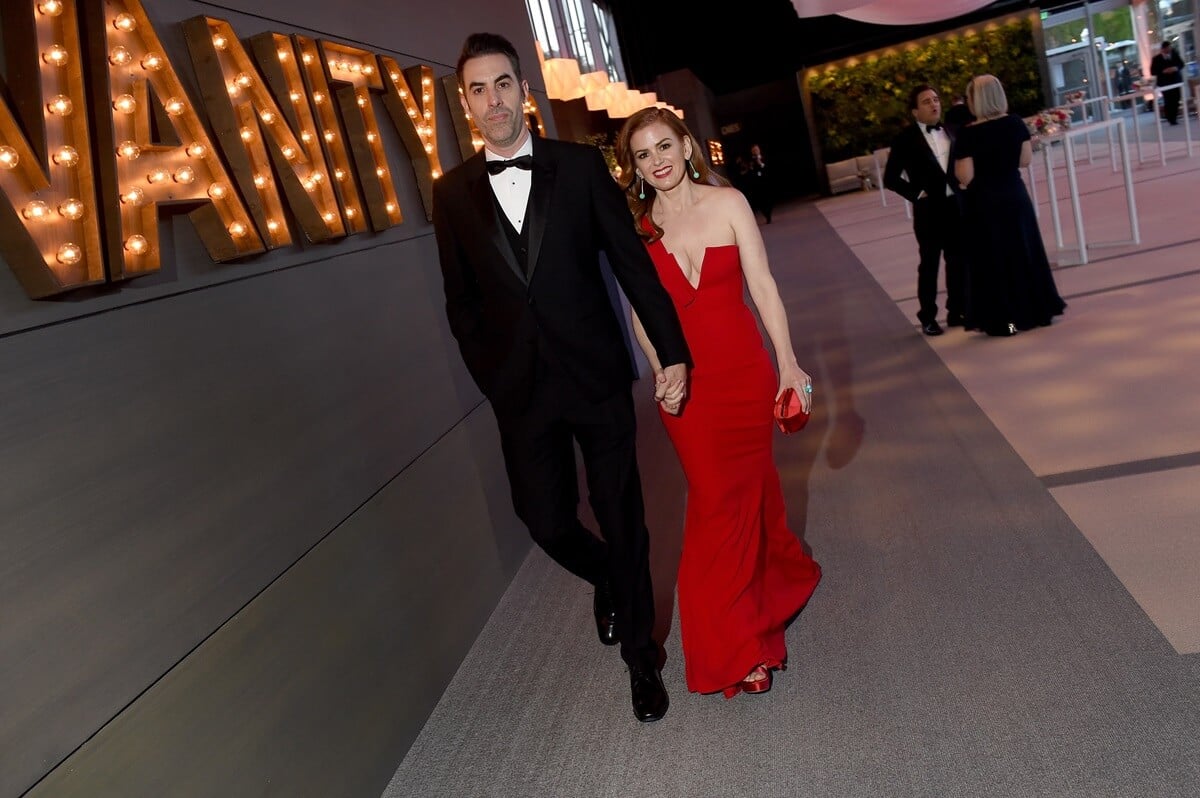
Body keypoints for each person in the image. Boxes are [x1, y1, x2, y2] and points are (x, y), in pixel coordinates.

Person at [431, 33, 693, 722]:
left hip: (596, 378)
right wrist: (491, 376)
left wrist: (673, 354)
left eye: (503, 85)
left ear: (524, 90)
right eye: (479, 90)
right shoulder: (451, 193)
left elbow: (634, 270)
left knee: (623, 518)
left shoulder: (577, 169)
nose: (494, 100)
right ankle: (608, 576)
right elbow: (460, 303)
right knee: (543, 519)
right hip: (520, 393)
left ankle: (642, 657)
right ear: (468, 103)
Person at [614, 107, 823, 699]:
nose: (656, 162)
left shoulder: (728, 204)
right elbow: (640, 317)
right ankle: (736, 648)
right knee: (714, 507)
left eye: (663, 147)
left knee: (752, 496)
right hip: (688, 392)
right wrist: (663, 375)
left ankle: (769, 595)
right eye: (642, 155)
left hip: (744, 375)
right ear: (633, 168)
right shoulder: (638, 230)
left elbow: (763, 287)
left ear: (685, 145)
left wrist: (787, 361)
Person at [953, 74, 1066, 336]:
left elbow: (965, 176)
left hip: (985, 202)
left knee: (995, 259)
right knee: (1024, 252)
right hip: (1015, 196)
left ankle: (1008, 321)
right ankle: (1037, 312)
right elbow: (1024, 161)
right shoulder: (1015, 123)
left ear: (975, 100)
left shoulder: (968, 134)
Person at [883, 84, 967, 335]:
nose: (934, 104)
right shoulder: (904, 139)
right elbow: (891, 178)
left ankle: (956, 310)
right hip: (929, 212)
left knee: (957, 262)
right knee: (929, 265)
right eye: (926, 101)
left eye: (936, 99)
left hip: (956, 207)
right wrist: (917, 194)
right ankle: (928, 316)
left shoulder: (952, 131)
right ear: (914, 111)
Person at [1150, 41, 1185, 125]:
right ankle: (1170, 118)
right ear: (1163, 49)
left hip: (1176, 81)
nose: (1169, 50)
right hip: (1164, 83)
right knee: (1168, 100)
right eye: (1167, 48)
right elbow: (1152, 71)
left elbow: (1182, 64)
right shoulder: (1156, 59)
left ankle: (1174, 117)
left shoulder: (1174, 54)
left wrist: (1176, 68)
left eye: (1170, 48)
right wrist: (1163, 71)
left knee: (1176, 98)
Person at [741, 144, 776, 224]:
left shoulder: (764, 157)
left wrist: (761, 164)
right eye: (753, 150)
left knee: (769, 200)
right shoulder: (750, 160)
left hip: (766, 182)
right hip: (757, 184)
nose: (755, 151)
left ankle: (769, 213)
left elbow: (768, 168)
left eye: (756, 150)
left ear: (759, 150)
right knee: (761, 201)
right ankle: (767, 215)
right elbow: (748, 171)